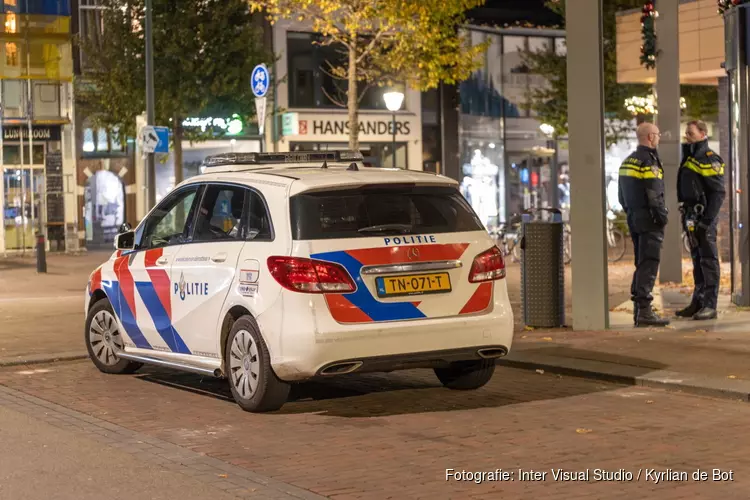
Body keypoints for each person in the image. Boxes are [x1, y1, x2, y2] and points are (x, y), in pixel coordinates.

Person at [618, 122, 670, 327]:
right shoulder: (649, 162)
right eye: (657, 134)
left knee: (641, 263)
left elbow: (621, 196)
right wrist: (661, 218)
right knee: (649, 263)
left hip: (634, 217)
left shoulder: (627, 162)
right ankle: (645, 312)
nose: (659, 138)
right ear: (650, 137)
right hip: (650, 220)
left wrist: (631, 212)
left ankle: (639, 311)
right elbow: (654, 194)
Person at [676, 120, 726, 320]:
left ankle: (710, 305)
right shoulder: (690, 156)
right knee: (697, 260)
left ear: (703, 133)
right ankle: (698, 302)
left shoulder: (709, 158)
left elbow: (718, 193)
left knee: (708, 260)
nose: (687, 136)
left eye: (690, 133)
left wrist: (706, 221)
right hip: (691, 216)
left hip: (704, 217)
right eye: (686, 133)